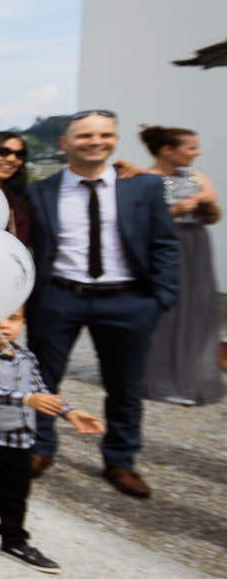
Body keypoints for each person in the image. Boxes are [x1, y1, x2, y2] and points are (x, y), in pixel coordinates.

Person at [23, 110, 179, 498]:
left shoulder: (142, 188)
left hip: (127, 299)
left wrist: (161, 298)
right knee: (43, 379)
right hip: (59, 296)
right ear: (65, 144)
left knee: (124, 385)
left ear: (115, 139)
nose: (96, 142)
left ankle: (121, 460)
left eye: (105, 135)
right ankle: (40, 448)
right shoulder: (43, 190)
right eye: (85, 135)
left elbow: (165, 243)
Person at [0, 305, 103, 568]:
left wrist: (69, 412)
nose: (4, 325)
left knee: (16, 493)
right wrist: (26, 399)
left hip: (20, 440)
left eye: (13, 318)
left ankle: (14, 540)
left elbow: (39, 389)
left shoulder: (25, 356)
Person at [138, 125, 221, 406]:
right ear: (167, 150)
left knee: (197, 309)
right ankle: (156, 377)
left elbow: (214, 215)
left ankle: (190, 376)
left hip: (195, 248)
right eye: (191, 148)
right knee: (163, 313)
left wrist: (204, 203)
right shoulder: (143, 179)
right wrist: (174, 211)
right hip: (161, 249)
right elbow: (134, 221)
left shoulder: (196, 177)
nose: (197, 153)